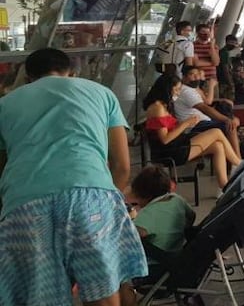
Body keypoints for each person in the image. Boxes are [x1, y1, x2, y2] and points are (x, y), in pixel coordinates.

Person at [0, 48, 147, 305]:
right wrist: (107, 205)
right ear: (72, 73)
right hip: (90, 196)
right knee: (104, 293)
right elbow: (122, 166)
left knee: (41, 296)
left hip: (25, 204)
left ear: (27, 78)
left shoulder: (5, 104)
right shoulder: (102, 94)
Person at [143, 74, 241, 189]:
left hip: (176, 145)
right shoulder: (157, 108)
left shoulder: (162, 106)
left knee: (217, 146)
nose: (178, 93)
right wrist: (186, 123)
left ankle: (224, 186)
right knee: (216, 132)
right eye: (176, 90)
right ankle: (239, 165)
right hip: (170, 151)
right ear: (166, 89)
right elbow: (165, 139)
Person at [126, 165, 195, 262]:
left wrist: (131, 220)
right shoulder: (177, 199)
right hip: (177, 252)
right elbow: (191, 216)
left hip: (154, 264)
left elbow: (132, 235)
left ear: (142, 194)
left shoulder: (148, 213)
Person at [175, 66, 242, 159]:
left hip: (202, 122)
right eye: (192, 75)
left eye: (197, 74)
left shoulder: (192, 89)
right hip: (194, 126)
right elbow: (205, 108)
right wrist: (227, 119)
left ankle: (234, 162)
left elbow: (207, 103)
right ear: (184, 77)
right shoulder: (186, 91)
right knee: (230, 126)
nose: (196, 77)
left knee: (230, 121)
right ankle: (238, 161)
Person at [217, 34, 239, 100]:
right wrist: (230, 83)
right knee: (228, 100)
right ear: (228, 42)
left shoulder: (225, 52)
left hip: (223, 80)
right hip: (224, 81)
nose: (235, 45)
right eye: (233, 43)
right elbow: (225, 69)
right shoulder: (224, 53)